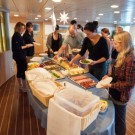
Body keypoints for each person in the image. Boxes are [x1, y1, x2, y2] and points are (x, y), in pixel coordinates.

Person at [101, 31, 135, 135]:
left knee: (120, 122)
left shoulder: (131, 59)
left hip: (121, 96)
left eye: (116, 43)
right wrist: (109, 77)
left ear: (124, 43)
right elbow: (117, 74)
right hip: (114, 92)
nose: (114, 46)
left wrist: (110, 85)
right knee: (114, 119)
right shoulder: (122, 54)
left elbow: (129, 84)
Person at [12, 22, 33, 92]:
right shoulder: (16, 36)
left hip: (20, 56)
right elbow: (17, 48)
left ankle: (21, 86)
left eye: (24, 28)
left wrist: (26, 45)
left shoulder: (18, 35)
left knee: (19, 70)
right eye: (22, 28)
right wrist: (27, 46)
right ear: (19, 28)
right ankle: (23, 87)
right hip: (19, 56)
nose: (23, 30)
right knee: (23, 71)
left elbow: (20, 45)